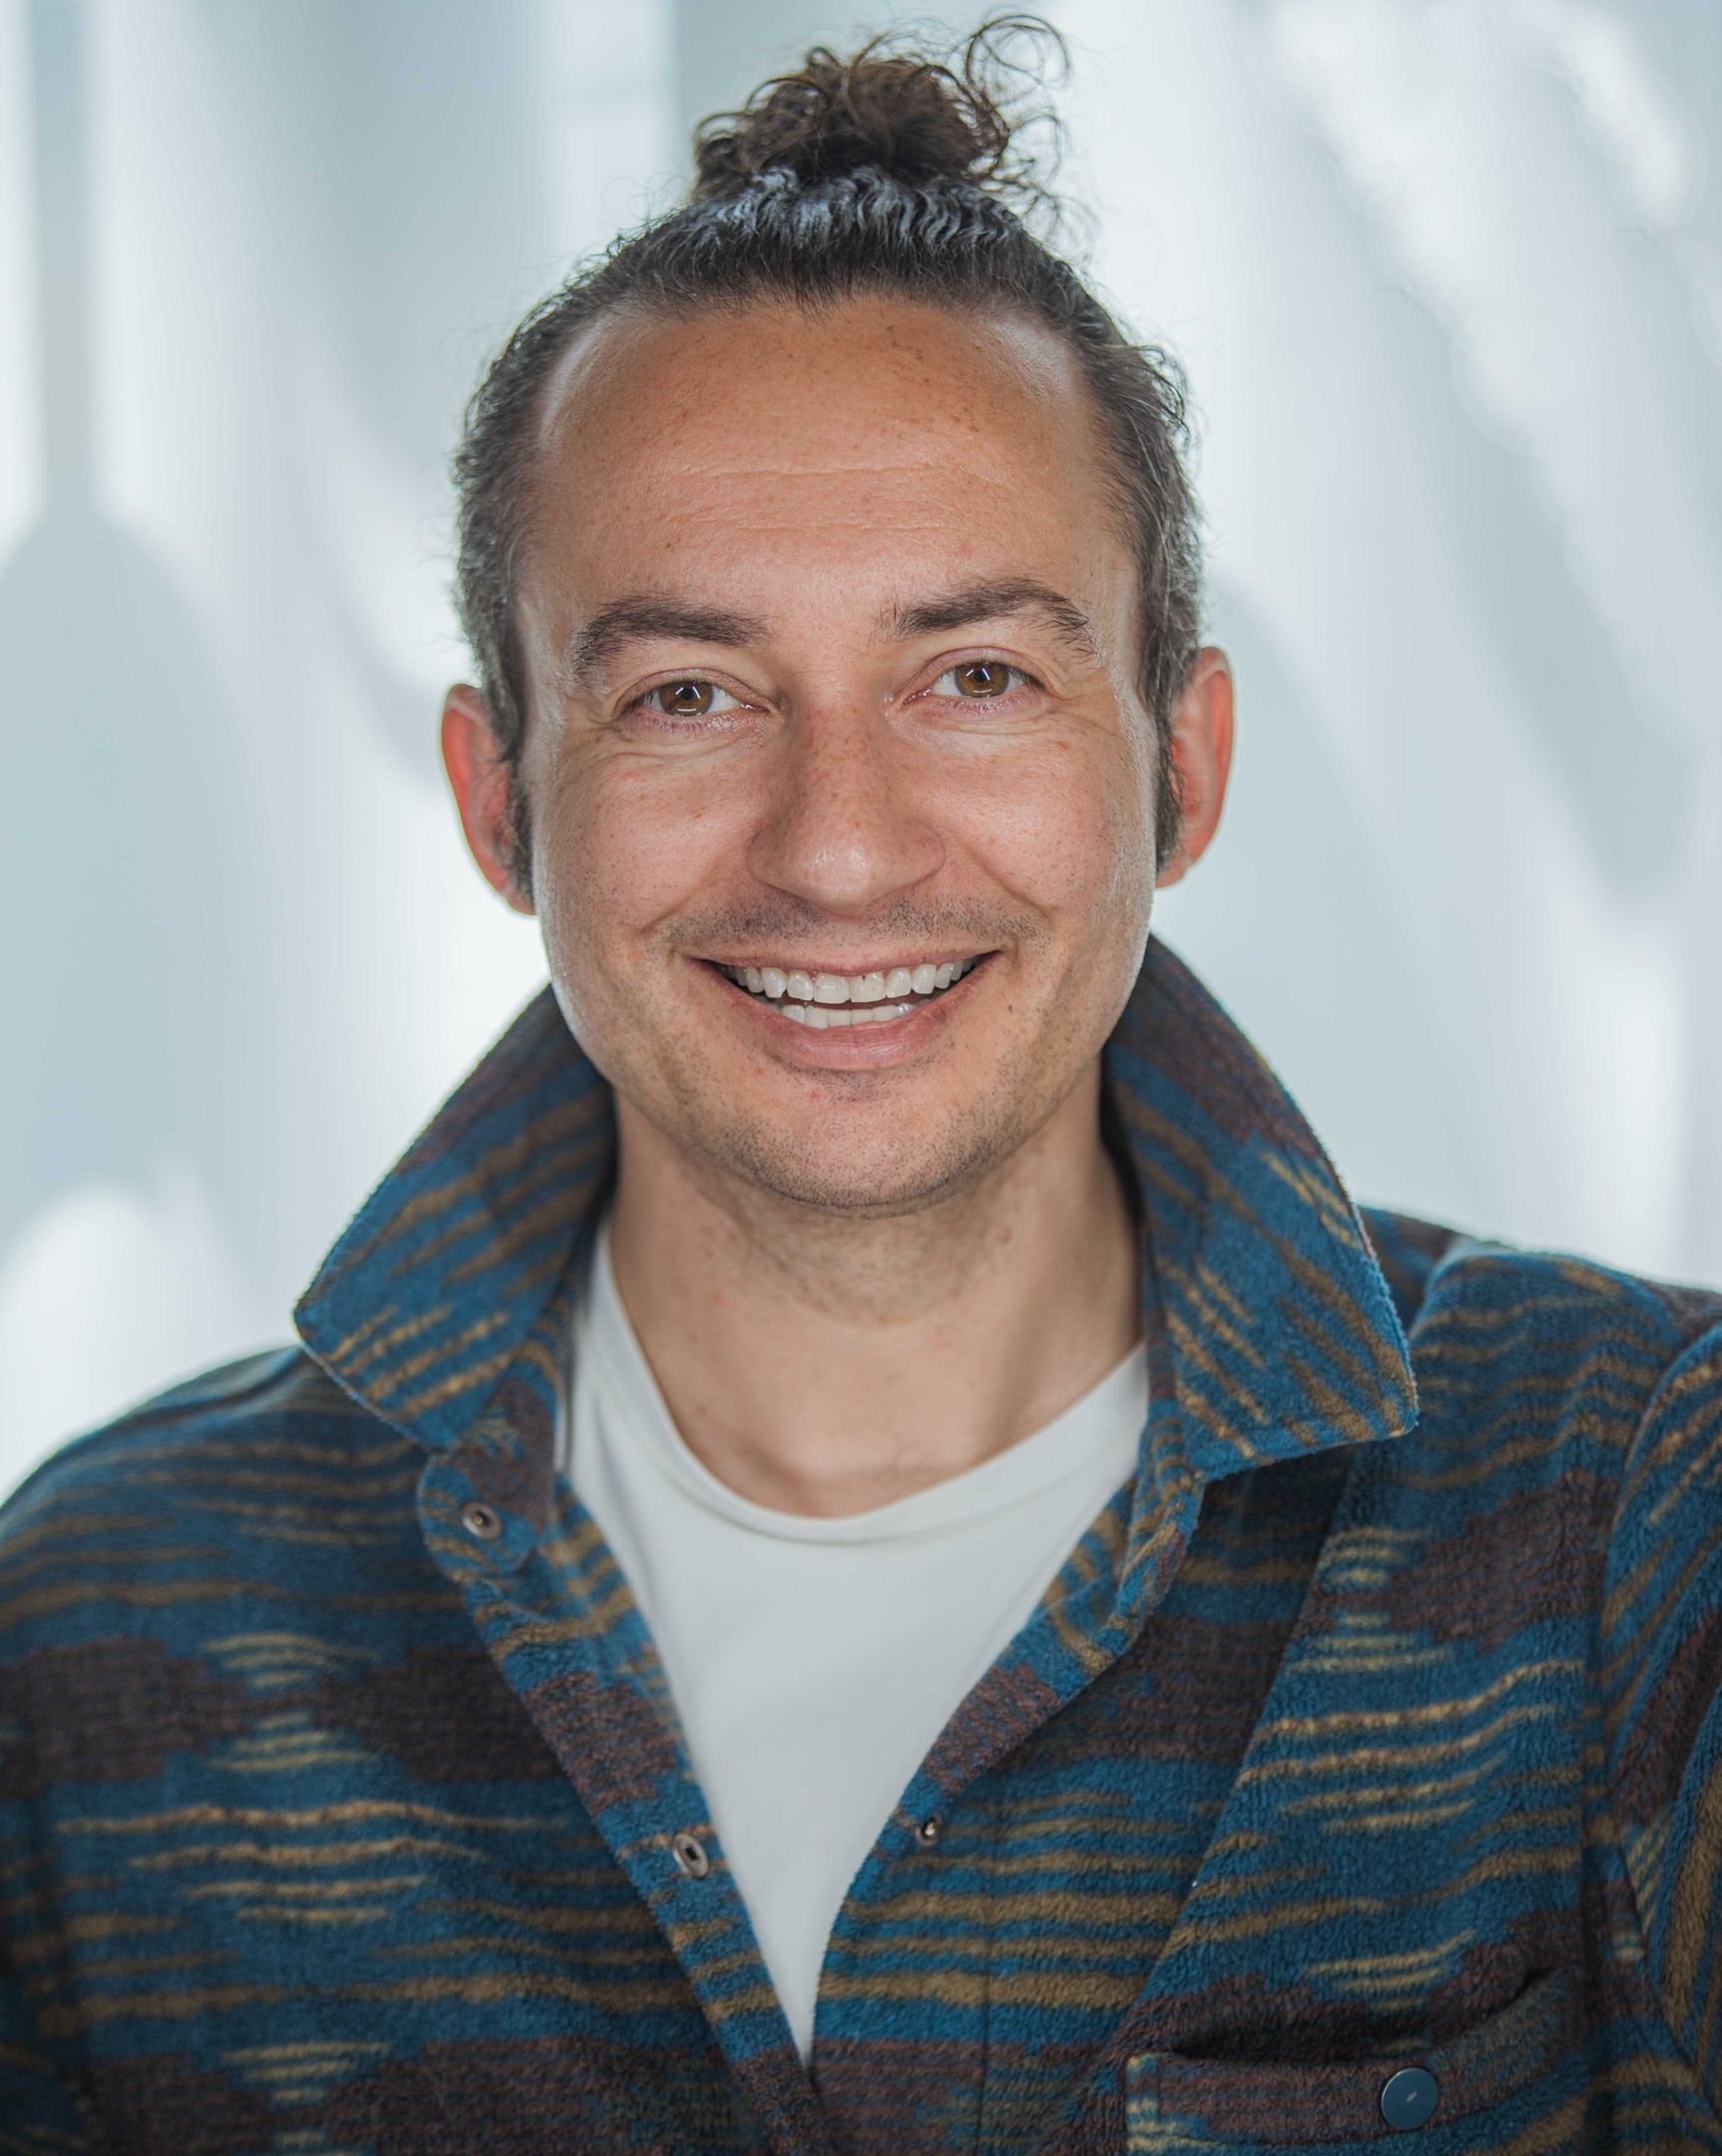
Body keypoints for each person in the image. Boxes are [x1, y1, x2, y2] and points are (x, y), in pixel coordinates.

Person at [1, 18, 1717, 2153]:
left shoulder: (1632, 1503)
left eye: (972, 676)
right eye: (688, 695)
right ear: (496, 797)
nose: (834, 849)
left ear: (1179, 768)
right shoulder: (93, 1636)